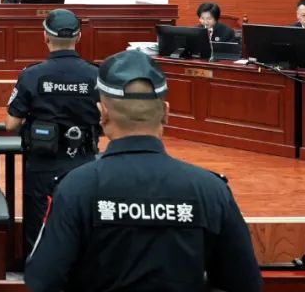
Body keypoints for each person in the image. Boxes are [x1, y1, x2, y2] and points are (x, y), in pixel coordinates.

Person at [25, 50, 262, 292]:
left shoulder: (75, 188)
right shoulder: (211, 190)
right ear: (166, 113)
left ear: (102, 113)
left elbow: (42, 280)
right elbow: (246, 283)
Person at [5, 9, 100, 256]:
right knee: (82, 221)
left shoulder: (32, 75)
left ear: (45, 37)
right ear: (79, 37)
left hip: (42, 163)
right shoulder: (95, 75)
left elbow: (11, 124)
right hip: (84, 162)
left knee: (40, 226)